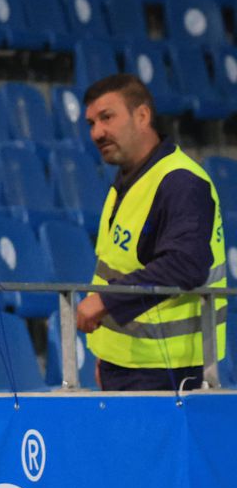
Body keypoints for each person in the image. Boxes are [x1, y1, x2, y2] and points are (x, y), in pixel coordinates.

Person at [75, 73, 227, 391]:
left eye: (107, 117)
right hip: (128, 365)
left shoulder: (181, 181)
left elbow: (186, 264)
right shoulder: (130, 178)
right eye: (91, 123)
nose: (97, 132)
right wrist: (107, 356)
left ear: (142, 115)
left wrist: (106, 301)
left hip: (167, 371)